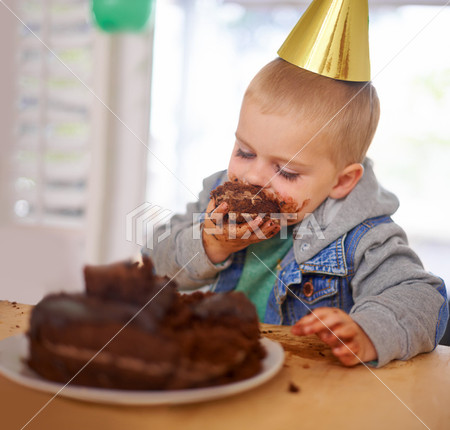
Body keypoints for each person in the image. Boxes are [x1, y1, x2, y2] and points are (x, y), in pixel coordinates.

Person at [144, 1, 448, 367]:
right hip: (224, 369)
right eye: (244, 151)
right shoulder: (218, 205)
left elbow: (423, 298)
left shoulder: (363, 237)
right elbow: (154, 262)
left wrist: (368, 330)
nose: (254, 177)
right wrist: (209, 243)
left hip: (314, 390)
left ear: (342, 181)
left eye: (286, 172)